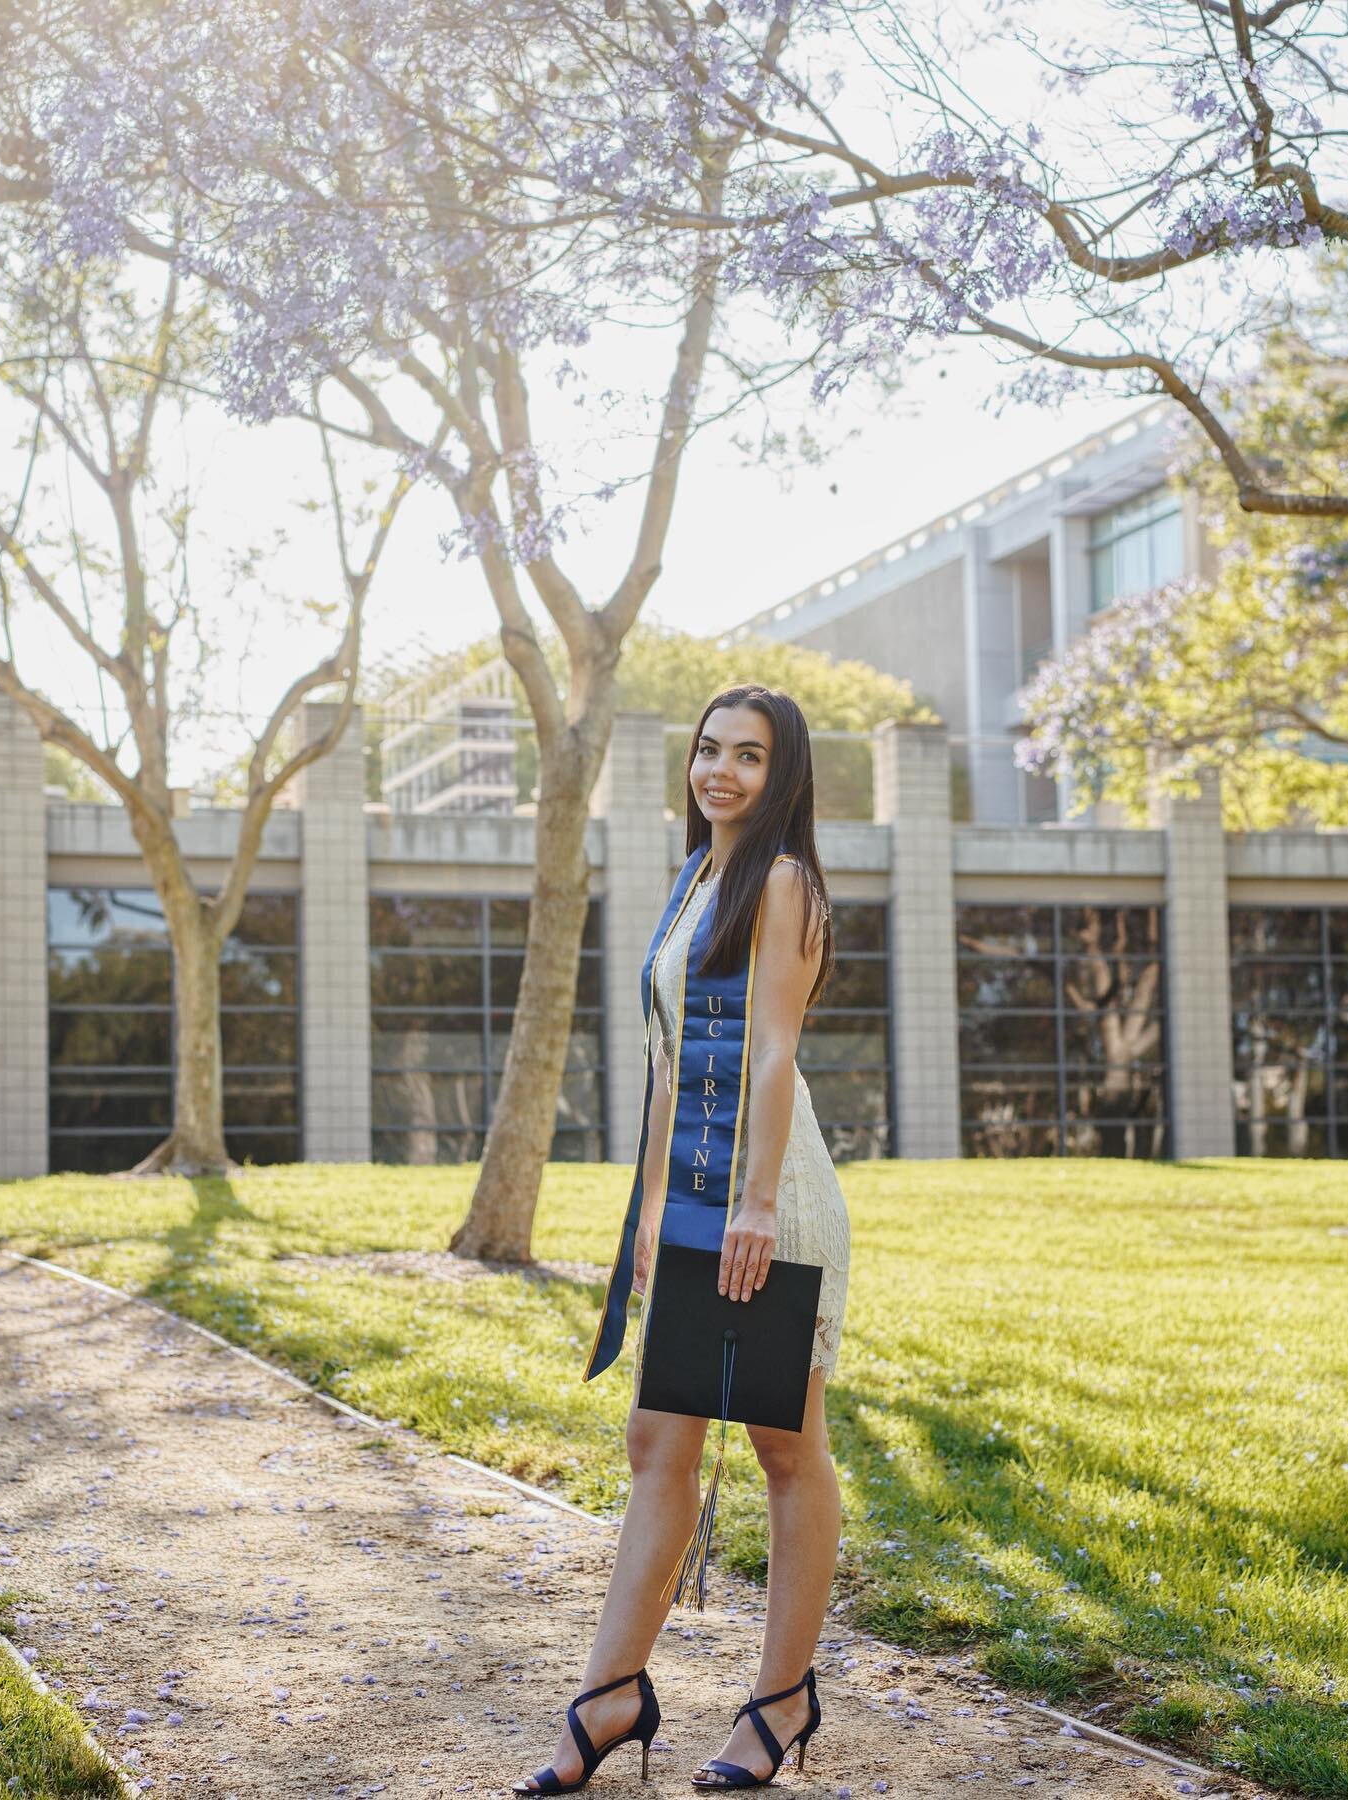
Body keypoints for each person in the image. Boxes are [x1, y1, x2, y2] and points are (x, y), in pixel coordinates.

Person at [513, 685, 852, 1794]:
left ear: (784, 775)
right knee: (660, 1443)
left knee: (783, 1447)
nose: (722, 772)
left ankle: (781, 1700)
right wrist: (655, 1209)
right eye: (710, 750)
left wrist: (753, 1206)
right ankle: (613, 1696)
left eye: (750, 757)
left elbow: (768, 1055)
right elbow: (668, 1061)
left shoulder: (785, 884)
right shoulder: (696, 878)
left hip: (770, 1199)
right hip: (697, 1200)